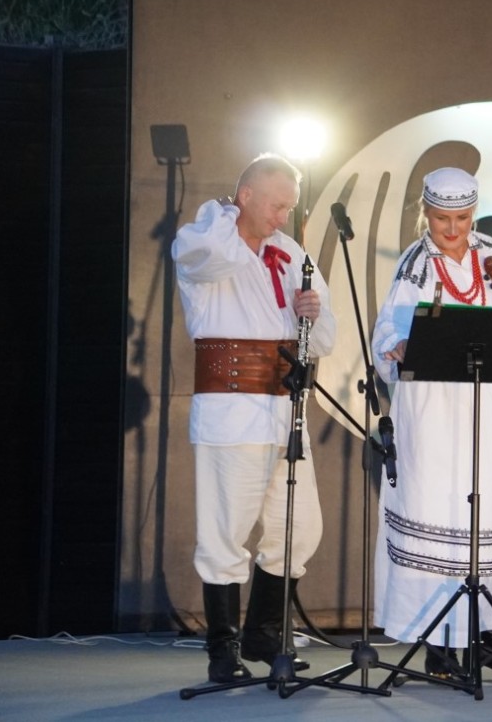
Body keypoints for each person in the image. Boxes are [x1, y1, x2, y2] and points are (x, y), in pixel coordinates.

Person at [173, 154, 335, 682]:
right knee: (225, 529)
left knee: (299, 528)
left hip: (284, 408)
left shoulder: (290, 254)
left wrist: (312, 314)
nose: (284, 217)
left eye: (290, 207)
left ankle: (264, 633)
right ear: (245, 196)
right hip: (232, 407)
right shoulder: (204, 238)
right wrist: (227, 215)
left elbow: (324, 338)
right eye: (277, 205)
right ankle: (222, 649)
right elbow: (212, 257)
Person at [371, 167, 492, 677]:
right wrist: (396, 346)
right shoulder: (415, 265)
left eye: (462, 218)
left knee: (487, 522)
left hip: (489, 411)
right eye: (442, 219)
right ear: (426, 213)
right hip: (437, 415)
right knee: (442, 517)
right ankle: (440, 646)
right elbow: (386, 334)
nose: (453, 229)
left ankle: (490, 640)